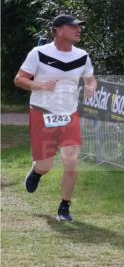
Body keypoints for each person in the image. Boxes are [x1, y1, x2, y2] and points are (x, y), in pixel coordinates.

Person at [14, 14, 97, 222]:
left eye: (79, 27)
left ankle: (64, 207)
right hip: (42, 112)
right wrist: (38, 85)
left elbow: (90, 78)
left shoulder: (82, 55)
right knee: (46, 165)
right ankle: (37, 171)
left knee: (71, 161)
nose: (79, 30)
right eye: (73, 26)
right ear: (59, 30)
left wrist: (90, 86)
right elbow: (19, 79)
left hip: (69, 114)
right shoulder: (39, 53)